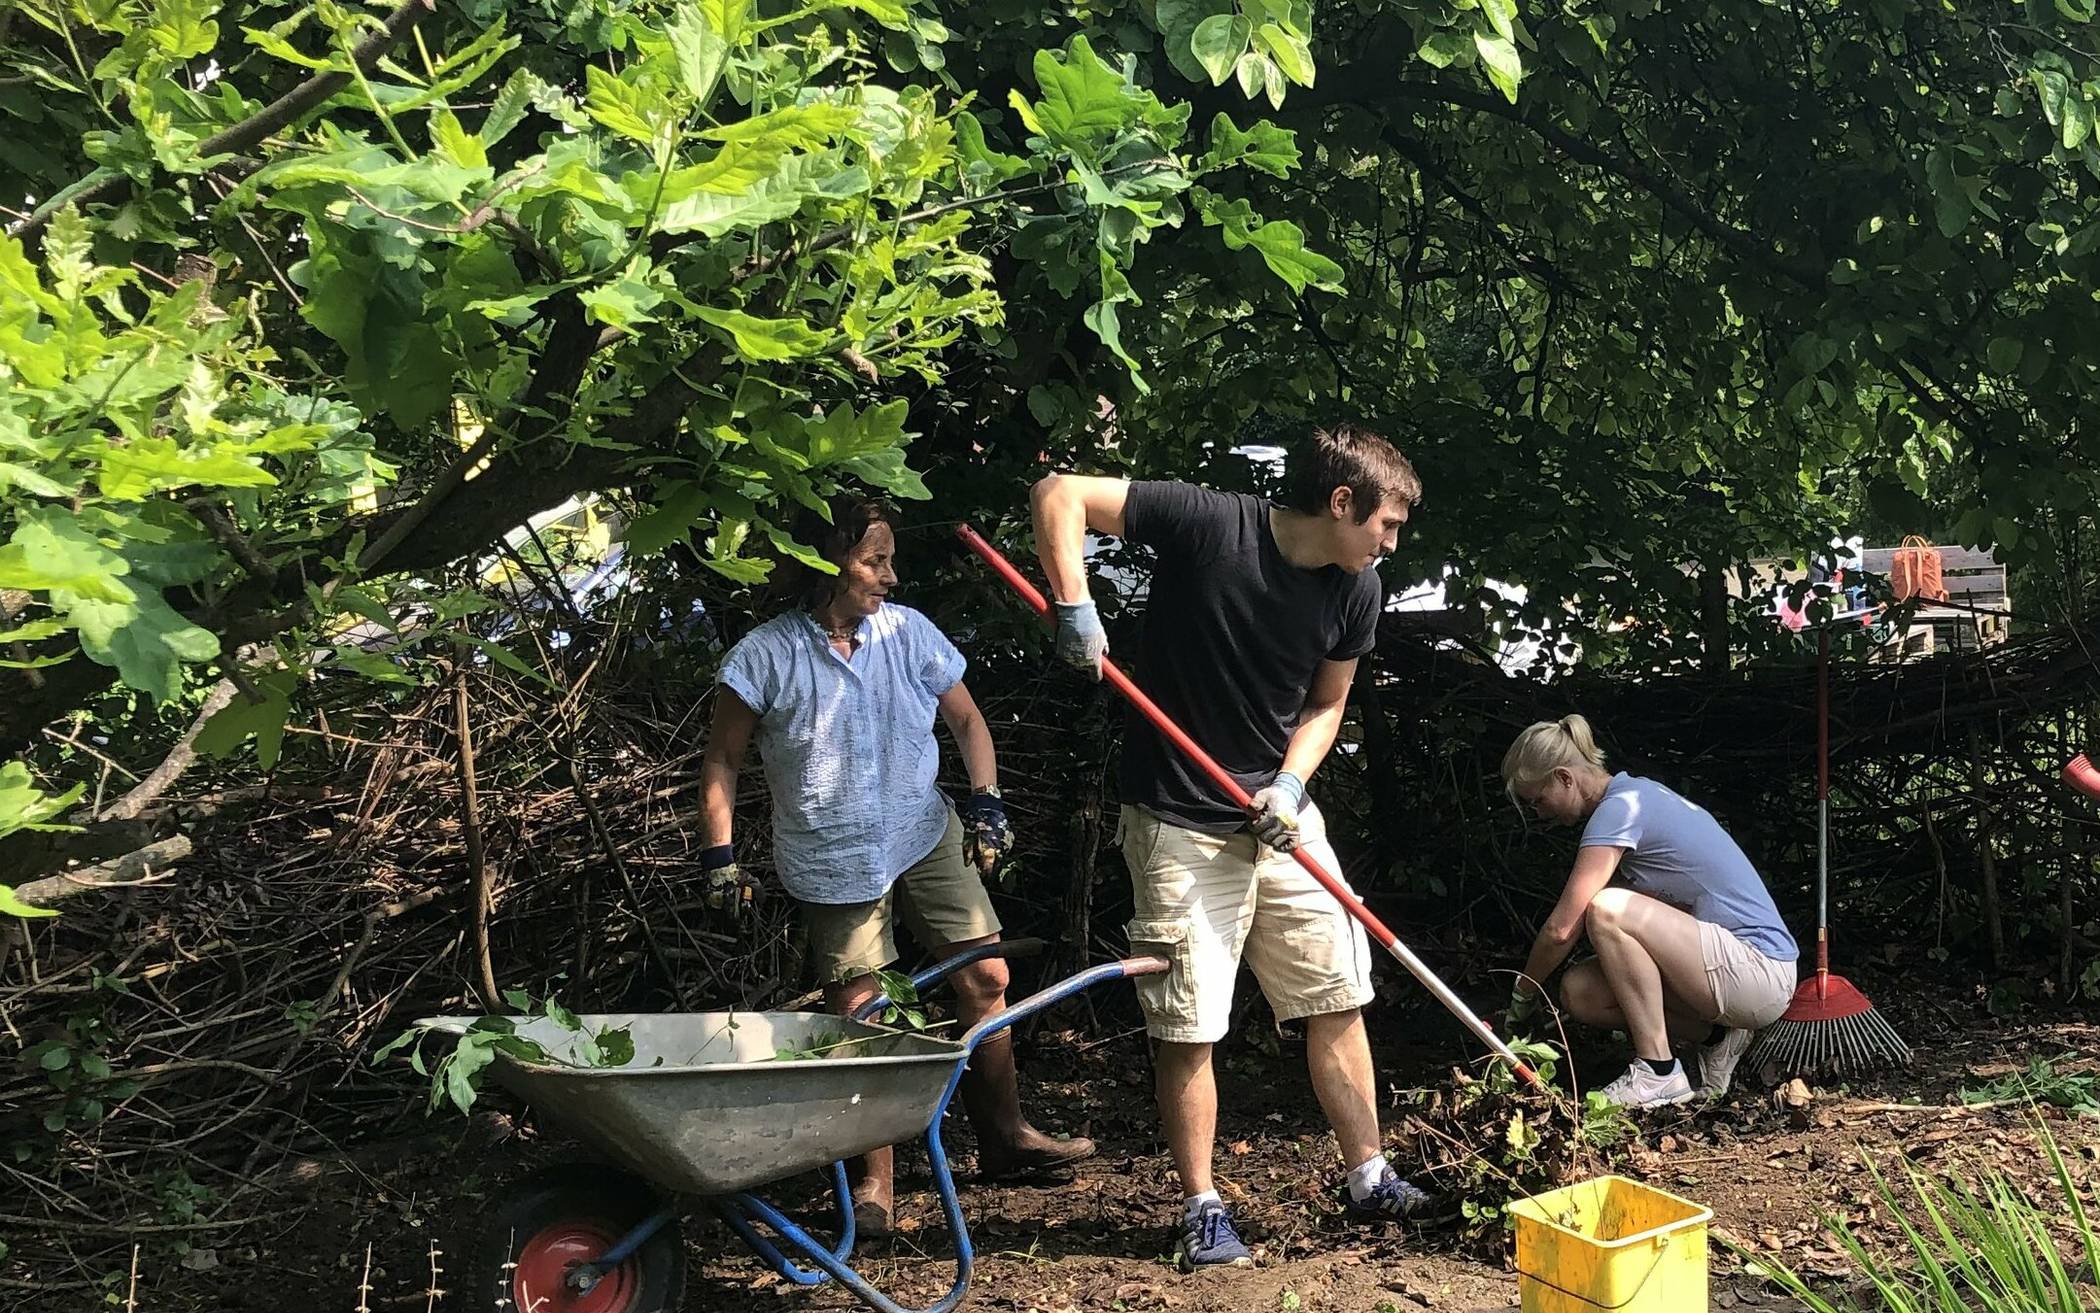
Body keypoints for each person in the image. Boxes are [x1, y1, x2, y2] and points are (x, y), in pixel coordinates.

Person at [1030, 425, 1436, 1273]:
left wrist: (1290, 785)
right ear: (1340, 503)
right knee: (1190, 1022)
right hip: (1179, 819)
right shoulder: (1210, 523)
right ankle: (1201, 1207)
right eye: (1387, 524)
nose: (1392, 542)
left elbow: (1327, 705)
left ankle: (1369, 1175)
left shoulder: (1356, 590)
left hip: (1279, 818)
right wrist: (1074, 601)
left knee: (1335, 990)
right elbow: (1059, 493)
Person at [697, 495, 1094, 1237]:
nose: (890, 575)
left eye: (888, 559)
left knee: (987, 975)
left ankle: (1005, 1139)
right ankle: (874, 1184)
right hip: (832, 854)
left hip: (922, 829)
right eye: (875, 560)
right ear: (826, 563)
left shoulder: (909, 634)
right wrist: (719, 857)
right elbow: (722, 757)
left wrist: (988, 802)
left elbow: (969, 720)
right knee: (864, 1014)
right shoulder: (764, 656)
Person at [1499, 715, 1800, 1107]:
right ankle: (1718, 1038)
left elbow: (1563, 928)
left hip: (1759, 970)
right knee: (1582, 992)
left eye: (1538, 799)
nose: (1540, 813)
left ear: (1564, 778)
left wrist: (1523, 993)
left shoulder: (1621, 809)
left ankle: (1659, 1073)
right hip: (1728, 966)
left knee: (1607, 908)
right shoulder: (1636, 796)